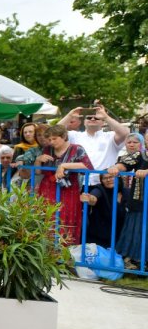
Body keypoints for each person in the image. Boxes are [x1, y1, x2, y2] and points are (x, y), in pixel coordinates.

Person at [35, 124, 93, 245]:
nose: (51, 142)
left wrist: (64, 165)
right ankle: (47, 252)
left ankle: (66, 253)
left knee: (67, 217)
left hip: (68, 189)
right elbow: (38, 171)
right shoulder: (47, 149)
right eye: (49, 139)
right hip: (48, 188)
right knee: (47, 217)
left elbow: (88, 167)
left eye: (54, 138)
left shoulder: (77, 149)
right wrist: (38, 159)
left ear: (64, 136)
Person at [63, 103, 129, 186]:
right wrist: (69, 115)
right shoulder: (74, 135)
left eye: (97, 118)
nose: (93, 119)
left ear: (103, 122)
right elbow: (54, 132)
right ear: (84, 122)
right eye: (89, 117)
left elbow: (125, 133)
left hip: (104, 183)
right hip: (78, 182)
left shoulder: (110, 136)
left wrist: (106, 117)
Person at [113, 134, 148, 269]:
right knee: (135, 229)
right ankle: (135, 261)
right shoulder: (140, 155)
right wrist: (116, 167)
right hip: (140, 201)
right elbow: (125, 163)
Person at [80, 173, 125, 248]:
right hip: (100, 238)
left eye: (111, 177)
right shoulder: (100, 189)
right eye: (104, 178)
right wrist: (89, 198)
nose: (108, 180)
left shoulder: (125, 191)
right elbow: (93, 197)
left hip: (120, 236)